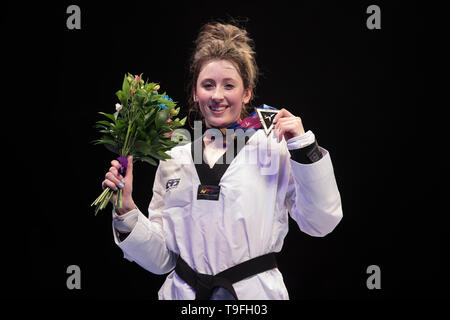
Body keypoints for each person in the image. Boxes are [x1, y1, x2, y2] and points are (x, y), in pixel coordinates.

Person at [101, 21, 343, 300]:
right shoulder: (175, 156)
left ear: (247, 93)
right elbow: (162, 261)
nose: (217, 95)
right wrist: (126, 210)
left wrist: (304, 149)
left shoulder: (273, 148)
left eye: (229, 85)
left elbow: (321, 222)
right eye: (208, 85)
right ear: (195, 92)